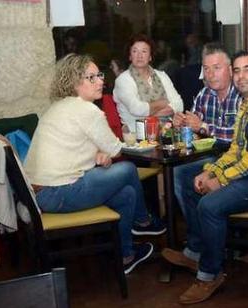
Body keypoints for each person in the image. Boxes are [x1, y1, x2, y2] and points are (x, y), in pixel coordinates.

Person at [161, 51, 248, 304]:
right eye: (237, 70)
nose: (241, 76)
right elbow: (236, 149)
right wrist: (212, 171)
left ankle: (210, 274)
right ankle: (197, 251)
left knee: (210, 205)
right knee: (192, 183)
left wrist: (222, 179)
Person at [25, 54, 164, 275]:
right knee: (128, 169)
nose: (100, 81)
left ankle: (125, 255)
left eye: (99, 75)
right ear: (74, 82)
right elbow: (118, 150)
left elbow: (88, 145)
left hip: (41, 194)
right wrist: (107, 151)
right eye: (92, 78)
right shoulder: (87, 110)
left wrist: (102, 151)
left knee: (127, 193)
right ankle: (144, 221)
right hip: (60, 192)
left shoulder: (59, 107)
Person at [172, 43, 242, 145]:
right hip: (207, 153)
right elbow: (194, 127)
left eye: (216, 68)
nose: (210, 74)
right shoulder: (204, 94)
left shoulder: (242, 94)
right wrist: (181, 124)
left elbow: (240, 135)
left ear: (231, 70)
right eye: (206, 68)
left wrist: (203, 127)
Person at [113, 34, 184, 131]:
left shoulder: (161, 76)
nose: (139, 55)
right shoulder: (123, 80)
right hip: (137, 137)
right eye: (135, 51)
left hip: (167, 132)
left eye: (144, 51)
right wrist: (163, 103)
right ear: (130, 56)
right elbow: (137, 109)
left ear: (150, 56)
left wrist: (147, 114)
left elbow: (179, 104)